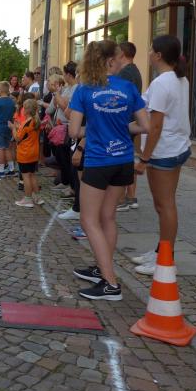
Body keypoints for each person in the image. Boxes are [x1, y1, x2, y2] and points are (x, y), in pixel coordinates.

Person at [68, 40, 149, 301]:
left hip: (99, 160)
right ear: (111, 60)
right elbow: (144, 125)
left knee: (88, 220)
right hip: (123, 160)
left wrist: (94, 128)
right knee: (108, 218)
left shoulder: (84, 89)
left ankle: (111, 283)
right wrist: (120, 127)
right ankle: (101, 270)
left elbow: (73, 131)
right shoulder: (127, 87)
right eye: (118, 58)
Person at [131, 35, 191, 276]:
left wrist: (144, 159)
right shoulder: (178, 78)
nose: (148, 53)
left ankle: (166, 259)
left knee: (165, 205)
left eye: (150, 50)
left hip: (164, 150)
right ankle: (160, 251)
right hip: (174, 146)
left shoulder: (163, 82)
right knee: (162, 204)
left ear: (158, 55)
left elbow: (155, 126)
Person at [116, 41, 144, 212]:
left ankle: (121, 199)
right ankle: (131, 197)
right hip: (131, 120)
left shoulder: (125, 73)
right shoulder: (135, 71)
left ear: (122, 54)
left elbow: (121, 99)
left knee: (122, 159)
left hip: (125, 121)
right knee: (128, 157)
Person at [57, 61, 82, 222]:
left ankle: (79, 208)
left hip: (81, 138)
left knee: (79, 173)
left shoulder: (81, 89)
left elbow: (67, 112)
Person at [11, 99, 44, 207]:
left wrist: (13, 128)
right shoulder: (35, 121)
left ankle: (28, 199)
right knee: (32, 175)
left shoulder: (26, 123)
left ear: (26, 110)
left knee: (26, 177)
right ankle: (37, 197)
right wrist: (18, 126)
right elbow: (27, 133)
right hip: (34, 152)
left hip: (25, 153)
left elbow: (17, 138)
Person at [0, 82, 15, 177]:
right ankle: (11, 169)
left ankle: (1, 171)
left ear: (0, 90)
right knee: (8, 148)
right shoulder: (11, 101)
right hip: (8, 127)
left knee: (0, 149)